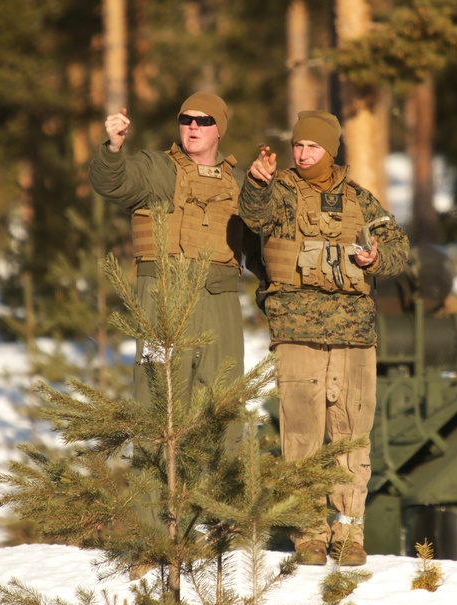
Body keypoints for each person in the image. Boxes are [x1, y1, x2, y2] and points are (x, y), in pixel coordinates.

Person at [239, 110, 409, 567]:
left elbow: (398, 247)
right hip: (296, 331)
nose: (303, 153)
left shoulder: (360, 200)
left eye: (313, 146)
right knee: (301, 436)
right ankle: (309, 534)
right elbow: (253, 216)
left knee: (351, 436)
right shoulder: (279, 193)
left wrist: (377, 259)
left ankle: (349, 534)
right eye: (298, 145)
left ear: (330, 151)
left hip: (354, 334)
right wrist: (256, 183)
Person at [89, 92, 263, 417]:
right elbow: (111, 182)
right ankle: (156, 470)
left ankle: (219, 470)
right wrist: (113, 147)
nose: (193, 126)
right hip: (162, 301)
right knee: (158, 402)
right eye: (186, 119)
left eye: (204, 120)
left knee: (222, 406)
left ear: (219, 129)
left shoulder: (239, 183)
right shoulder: (157, 169)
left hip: (220, 303)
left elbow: (259, 250)